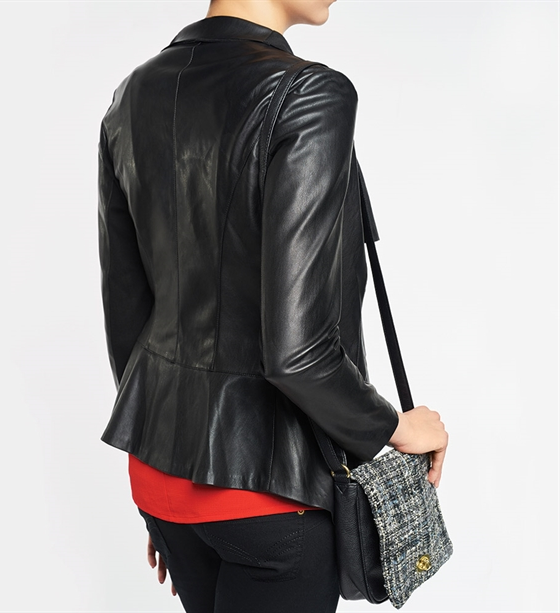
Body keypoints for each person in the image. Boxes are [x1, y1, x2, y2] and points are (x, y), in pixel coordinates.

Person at [97, 1, 449, 611]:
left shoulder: (132, 94)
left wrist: (168, 484)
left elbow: (126, 311)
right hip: (270, 493)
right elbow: (298, 353)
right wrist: (394, 428)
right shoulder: (310, 94)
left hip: (160, 479)